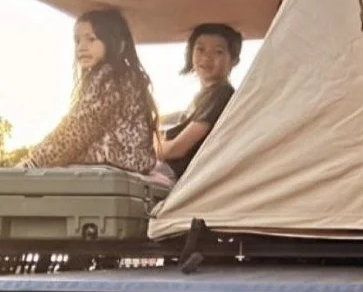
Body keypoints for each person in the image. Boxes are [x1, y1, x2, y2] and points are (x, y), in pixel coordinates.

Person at [19, 9, 157, 173]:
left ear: (113, 41)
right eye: (77, 41)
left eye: (91, 39)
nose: (82, 47)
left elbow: (79, 128)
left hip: (114, 162)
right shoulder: (124, 76)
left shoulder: (111, 78)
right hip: (128, 163)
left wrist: (34, 161)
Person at [156, 23, 241, 180]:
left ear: (234, 60)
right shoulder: (203, 97)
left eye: (218, 52)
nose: (207, 57)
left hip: (182, 178)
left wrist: (149, 147)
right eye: (200, 49)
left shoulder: (222, 95)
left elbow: (176, 149)